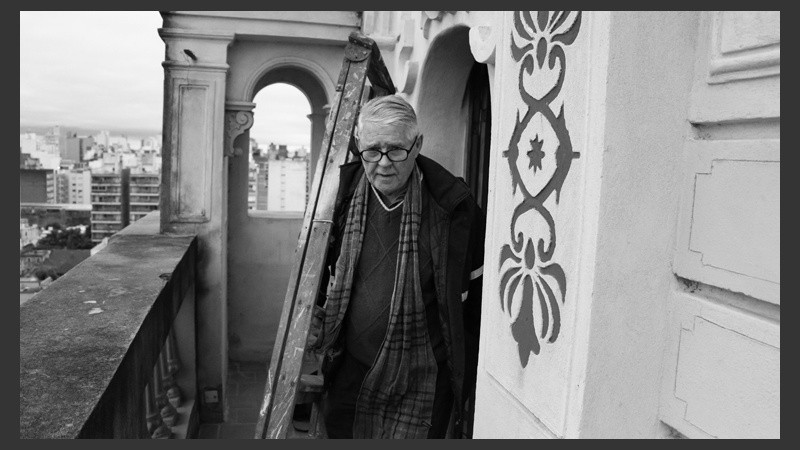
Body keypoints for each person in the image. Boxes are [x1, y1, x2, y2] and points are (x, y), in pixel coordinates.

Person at [313, 94, 485, 439]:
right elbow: (315, 269)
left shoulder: (453, 209)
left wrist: (464, 381)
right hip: (350, 371)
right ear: (359, 146)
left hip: (421, 381)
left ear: (417, 144)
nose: (383, 163)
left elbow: (475, 304)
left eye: (396, 150)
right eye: (372, 151)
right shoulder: (339, 198)